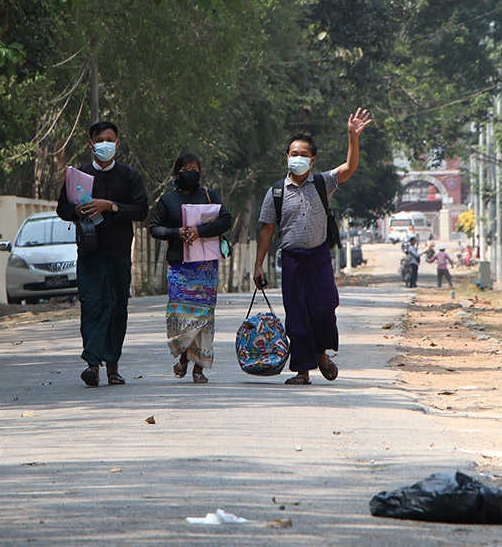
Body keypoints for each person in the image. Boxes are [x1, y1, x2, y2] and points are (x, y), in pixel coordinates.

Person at [254, 108, 373, 385]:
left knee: (324, 309)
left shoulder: (323, 182)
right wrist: (258, 264)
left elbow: (349, 168)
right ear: (287, 157)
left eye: (304, 155)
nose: (298, 158)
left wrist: (352, 137)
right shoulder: (276, 192)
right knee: (296, 316)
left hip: (319, 257)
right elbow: (266, 230)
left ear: (313, 159)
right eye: (294, 154)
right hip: (292, 259)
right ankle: (302, 371)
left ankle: (321, 353)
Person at [57, 121, 149, 387]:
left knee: (117, 307)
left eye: (110, 140)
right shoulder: (78, 175)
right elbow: (62, 208)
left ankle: (113, 367)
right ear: (91, 144)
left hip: (119, 253)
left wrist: (111, 206)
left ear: (117, 144)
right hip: (90, 254)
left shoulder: (129, 176)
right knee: (92, 306)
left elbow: (141, 210)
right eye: (100, 140)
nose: (105, 144)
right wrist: (77, 210)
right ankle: (92, 364)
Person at [148, 154, 233, 383]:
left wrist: (200, 231)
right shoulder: (167, 200)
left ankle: (199, 368)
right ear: (177, 172)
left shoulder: (209, 195)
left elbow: (226, 220)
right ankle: (184, 357)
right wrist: (176, 232)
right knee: (181, 315)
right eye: (185, 168)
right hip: (179, 266)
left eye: (195, 168)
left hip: (205, 266)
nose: (190, 171)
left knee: (203, 317)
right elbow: (154, 228)